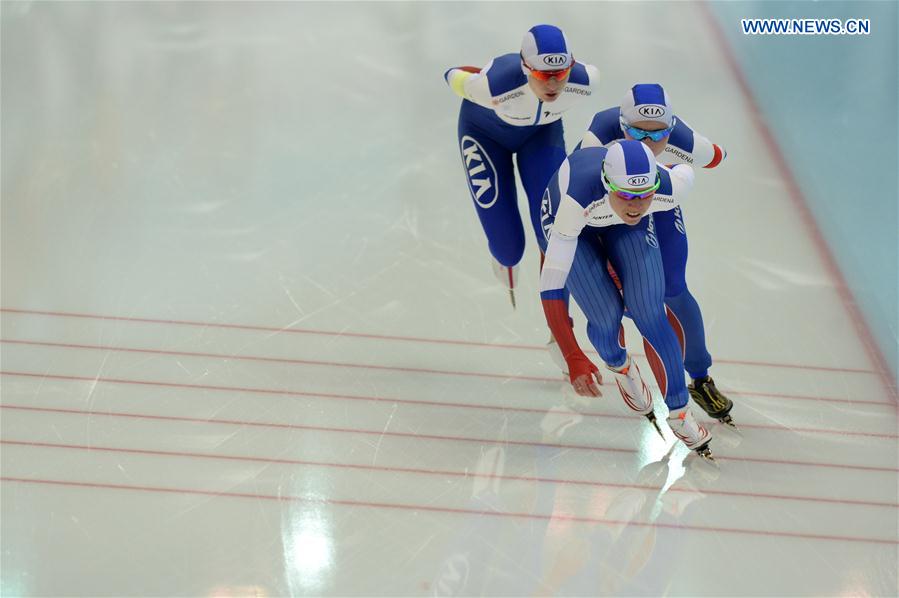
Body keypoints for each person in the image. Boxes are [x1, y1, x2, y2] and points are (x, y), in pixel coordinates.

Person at [538, 139, 714, 460]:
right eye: (627, 196)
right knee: (606, 317)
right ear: (608, 184)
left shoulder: (667, 188)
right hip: (573, 227)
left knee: (650, 311)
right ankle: (621, 367)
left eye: (644, 196)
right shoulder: (574, 204)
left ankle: (680, 411)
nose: (636, 205)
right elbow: (550, 287)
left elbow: (687, 165)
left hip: (615, 221)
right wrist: (571, 353)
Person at [578, 84, 734, 427]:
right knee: (638, 299)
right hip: (615, 206)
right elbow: (569, 185)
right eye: (636, 134)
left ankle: (700, 376)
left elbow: (718, 156)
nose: (648, 144)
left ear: (671, 127)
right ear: (620, 126)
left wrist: (685, 154)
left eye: (658, 135)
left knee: (674, 289)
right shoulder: (599, 134)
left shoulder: (682, 138)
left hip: (658, 198)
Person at [444, 25, 599, 310]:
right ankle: (505, 260)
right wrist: (480, 77)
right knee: (509, 248)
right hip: (484, 135)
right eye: (543, 75)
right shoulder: (495, 85)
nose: (553, 85)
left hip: (540, 137)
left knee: (554, 229)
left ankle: (560, 317)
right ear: (526, 68)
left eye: (561, 74)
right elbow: (451, 75)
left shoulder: (585, 80)